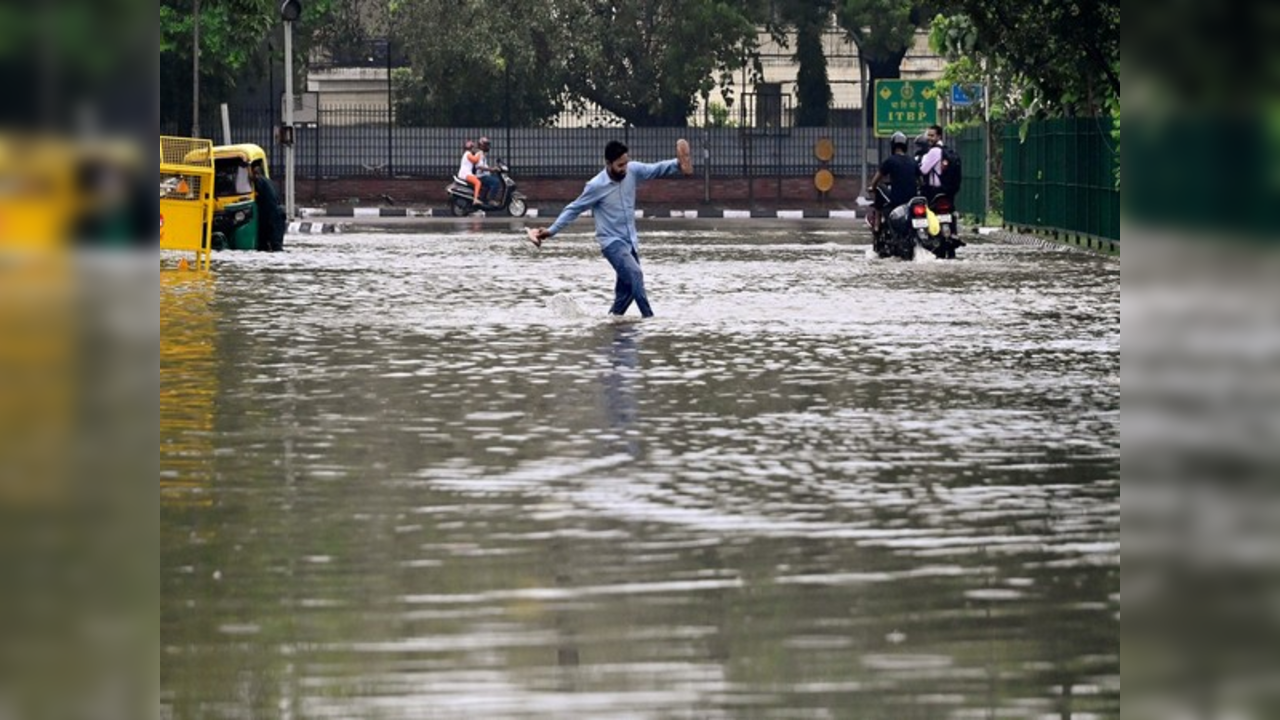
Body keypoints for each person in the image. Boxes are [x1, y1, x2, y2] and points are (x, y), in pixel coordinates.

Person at [529, 139, 693, 319]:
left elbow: (655, 169)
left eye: (626, 163)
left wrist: (678, 164)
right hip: (611, 243)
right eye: (620, 165)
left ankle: (612, 323)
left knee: (628, 292)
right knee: (635, 274)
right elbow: (574, 208)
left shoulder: (632, 170)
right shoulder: (596, 185)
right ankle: (650, 320)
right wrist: (552, 230)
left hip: (630, 242)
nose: (624, 168)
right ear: (608, 164)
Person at [865, 131, 918, 233]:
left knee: (879, 188)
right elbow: (920, 180)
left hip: (896, 199)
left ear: (893, 145)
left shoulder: (890, 160)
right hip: (912, 199)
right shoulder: (912, 161)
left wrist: (872, 187)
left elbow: (876, 178)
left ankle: (877, 224)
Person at [250, 162, 285, 252]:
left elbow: (258, 196)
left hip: (272, 215)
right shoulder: (268, 181)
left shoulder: (259, 181)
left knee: (273, 244)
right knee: (276, 243)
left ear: (256, 174)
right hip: (278, 213)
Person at [918, 124, 946, 201]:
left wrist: (923, 160)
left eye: (932, 136)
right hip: (945, 189)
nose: (929, 138)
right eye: (928, 135)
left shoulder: (934, 151)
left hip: (934, 190)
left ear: (939, 137)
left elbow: (923, 171)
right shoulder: (944, 149)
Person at [474, 136, 502, 205]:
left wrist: (494, 168)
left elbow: (484, 166)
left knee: (495, 178)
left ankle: (484, 199)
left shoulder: (482, 154)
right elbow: (479, 166)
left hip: (484, 175)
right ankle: (491, 200)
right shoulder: (479, 154)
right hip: (481, 176)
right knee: (496, 182)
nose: (487, 147)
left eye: (488, 145)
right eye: (486, 145)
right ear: (481, 145)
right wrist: (491, 169)